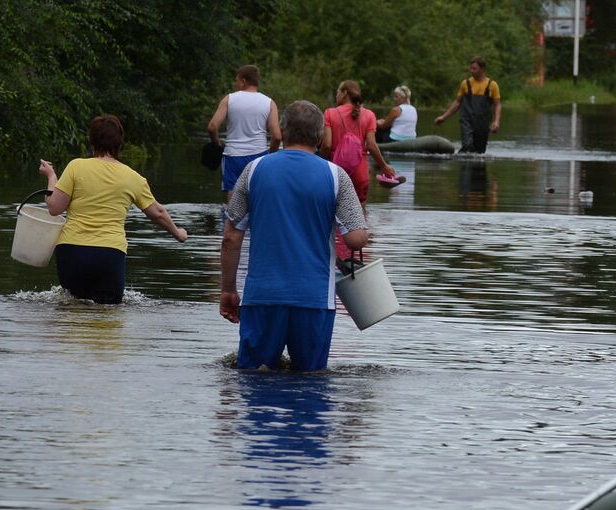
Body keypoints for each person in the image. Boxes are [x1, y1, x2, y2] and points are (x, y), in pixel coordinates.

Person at [219, 101, 370, 372]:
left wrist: (228, 289)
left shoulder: (252, 170)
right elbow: (356, 239)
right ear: (319, 135)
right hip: (314, 299)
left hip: (262, 296)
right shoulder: (337, 176)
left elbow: (231, 236)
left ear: (283, 131)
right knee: (311, 385)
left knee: (254, 382)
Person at [37, 114, 188, 304]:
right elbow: (157, 212)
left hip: (72, 251)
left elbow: (54, 208)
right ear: (119, 143)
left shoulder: (76, 167)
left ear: (91, 140)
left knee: (72, 308)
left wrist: (51, 176)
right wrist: (178, 233)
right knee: (108, 315)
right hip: (109, 253)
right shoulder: (133, 177)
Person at [322, 79, 399, 208]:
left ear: (344, 93)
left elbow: (327, 145)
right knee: (360, 215)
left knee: (334, 213)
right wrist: (384, 166)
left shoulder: (330, 113)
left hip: (336, 172)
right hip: (360, 172)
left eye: (337, 92)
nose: (336, 95)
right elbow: (371, 145)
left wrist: (321, 165)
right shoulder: (369, 115)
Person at [206, 64, 281, 196]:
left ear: (243, 81)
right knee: (256, 196)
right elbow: (277, 136)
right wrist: (270, 155)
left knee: (232, 200)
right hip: (259, 156)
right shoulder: (269, 103)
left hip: (233, 156)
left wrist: (216, 143)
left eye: (237, 80)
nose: (235, 84)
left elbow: (212, 127)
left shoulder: (229, 99)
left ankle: (232, 215)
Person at [433, 57, 502, 154]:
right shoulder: (465, 84)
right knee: (467, 145)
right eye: (471, 68)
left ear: (482, 69)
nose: (471, 71)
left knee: (479, 151)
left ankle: (472, 166)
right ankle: (462, 164)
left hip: (483, 122)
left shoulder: (492, 85)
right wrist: (444, 117)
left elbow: (497, 104)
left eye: (474, 69)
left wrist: (496, 121)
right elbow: (457, 102)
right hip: (467, 120)